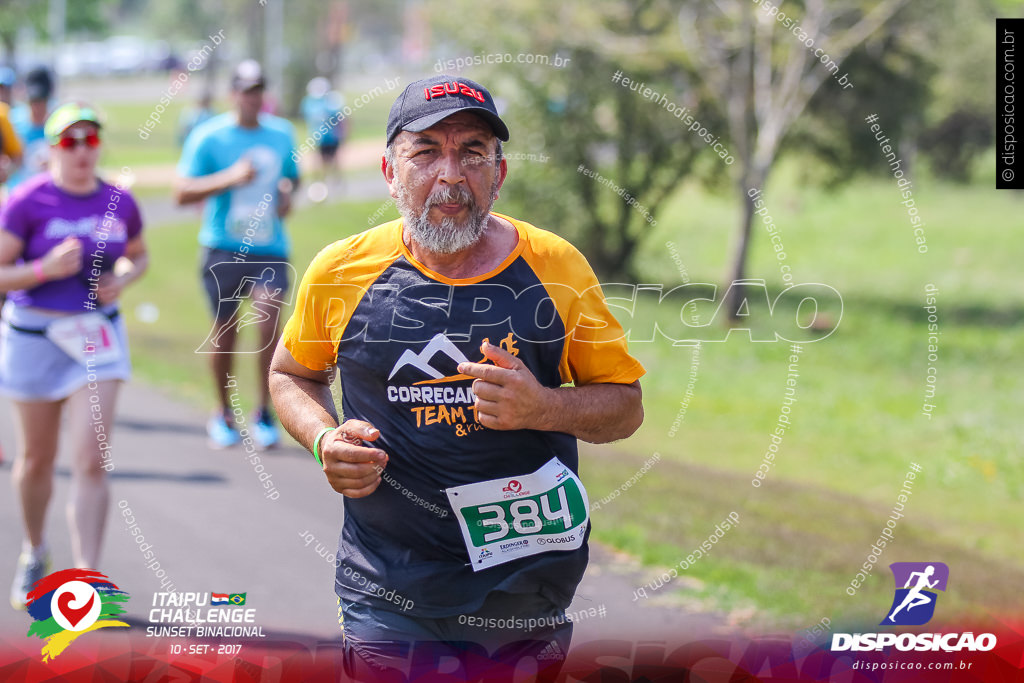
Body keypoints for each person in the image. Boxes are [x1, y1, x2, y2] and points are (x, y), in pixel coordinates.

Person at [269, 75, 645, 679]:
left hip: (525, 579)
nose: (450, 174)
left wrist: (543, 407)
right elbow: (291, 373)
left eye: (472, 152)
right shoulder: (342, 270)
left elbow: (625, 407)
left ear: (498, 174)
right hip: (388, 582)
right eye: (425, 153)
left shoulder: (556, 266)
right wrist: (322, 438)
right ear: (391, 174)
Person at [0, 102, 148, 608]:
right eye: (70, 141)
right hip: (34, 336)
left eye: (90, 139)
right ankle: (34, 551)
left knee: (90, 458)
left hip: (95, 337)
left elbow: (139, 253)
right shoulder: (26, 200)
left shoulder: (118, 201)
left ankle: (87, 579)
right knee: (37, 459)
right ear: (52, 147)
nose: (82, 150)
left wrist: (123, 278)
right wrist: (41, 269)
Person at [174, 60, 299, 450]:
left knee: (267, 326)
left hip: (270, 249)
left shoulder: (281, 133)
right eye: (246, 90)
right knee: (226, 334)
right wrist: (230, 178)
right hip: (222, 249)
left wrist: (285, 194)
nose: (253, 97)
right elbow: (181, 193)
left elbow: (292, 178)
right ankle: (223, 411)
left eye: (258, 89)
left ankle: (264, 412)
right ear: (234, 94)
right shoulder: (210, 136)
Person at [299, 77, 346, 202]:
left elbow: (341, 119)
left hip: (332, 138)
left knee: (333, 162)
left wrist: (343, 134)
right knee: (318, 162)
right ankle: (319, 185)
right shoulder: (309, 103)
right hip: (318, 138)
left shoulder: (332, 103)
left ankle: (336, 183)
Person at [8, 66, 54, 189]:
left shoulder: (58, 127)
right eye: (33, 101)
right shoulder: (13, 123)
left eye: (41, 100)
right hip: (18, 190)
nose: (37, 106)